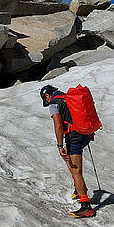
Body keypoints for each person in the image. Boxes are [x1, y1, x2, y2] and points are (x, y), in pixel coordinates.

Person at [40, 85, 96, 218]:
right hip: (84, 134)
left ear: (47, 96)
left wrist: (60, 145)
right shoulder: (68, 98)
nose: (47, 102)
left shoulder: (54, 104)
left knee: (76, 171)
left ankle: (85, 206)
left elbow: (58, 125)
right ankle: (78, 189)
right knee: (70, 161)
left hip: (74, 136)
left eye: (46, 100)